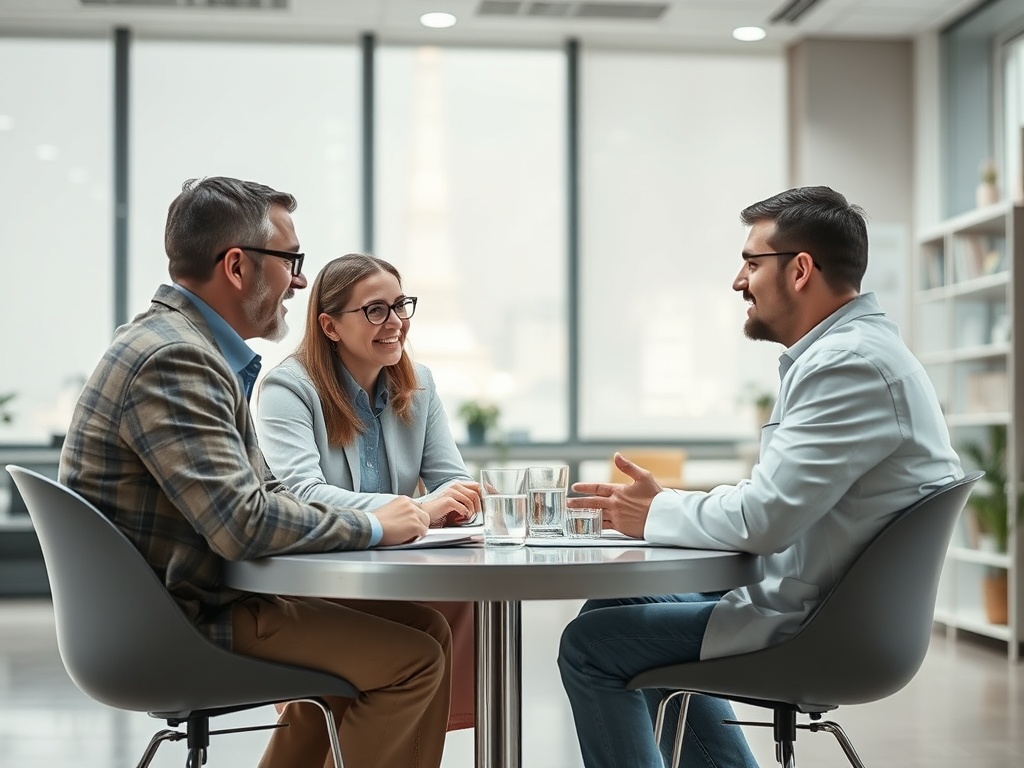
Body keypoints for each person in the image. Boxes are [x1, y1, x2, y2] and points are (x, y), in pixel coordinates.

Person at [558, 185, 963, 768]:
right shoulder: (853, 352)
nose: (738, 280)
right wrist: (669, 502)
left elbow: (764, 521)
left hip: (822, 625)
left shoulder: (846, 366)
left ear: (800, 270)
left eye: (752, 261)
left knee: (588, 647)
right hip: (827, 600)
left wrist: (657, 510)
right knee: (612, 605)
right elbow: (773, 501)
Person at [58, 176, 452, 768]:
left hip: (184, 600)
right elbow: (241, 524)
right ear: (238, 266)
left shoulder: (177, 344)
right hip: (181, 619)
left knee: (425, 628)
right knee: (413, 660)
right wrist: (376, 527)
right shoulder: (176, 359)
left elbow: (262, 494)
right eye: (290, 260)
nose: (299, 280)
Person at [255, 252, 482, 730]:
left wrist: (459, 502)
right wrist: (420, 509)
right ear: (330, 326)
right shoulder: (288, 388)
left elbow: (451, 479)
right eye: (375, 310)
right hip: (320, 580)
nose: (396, 322)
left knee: (469, 596)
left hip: (399, 576)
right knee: (425, 636)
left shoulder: (419, 384)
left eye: (401, 306)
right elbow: (301, 495)